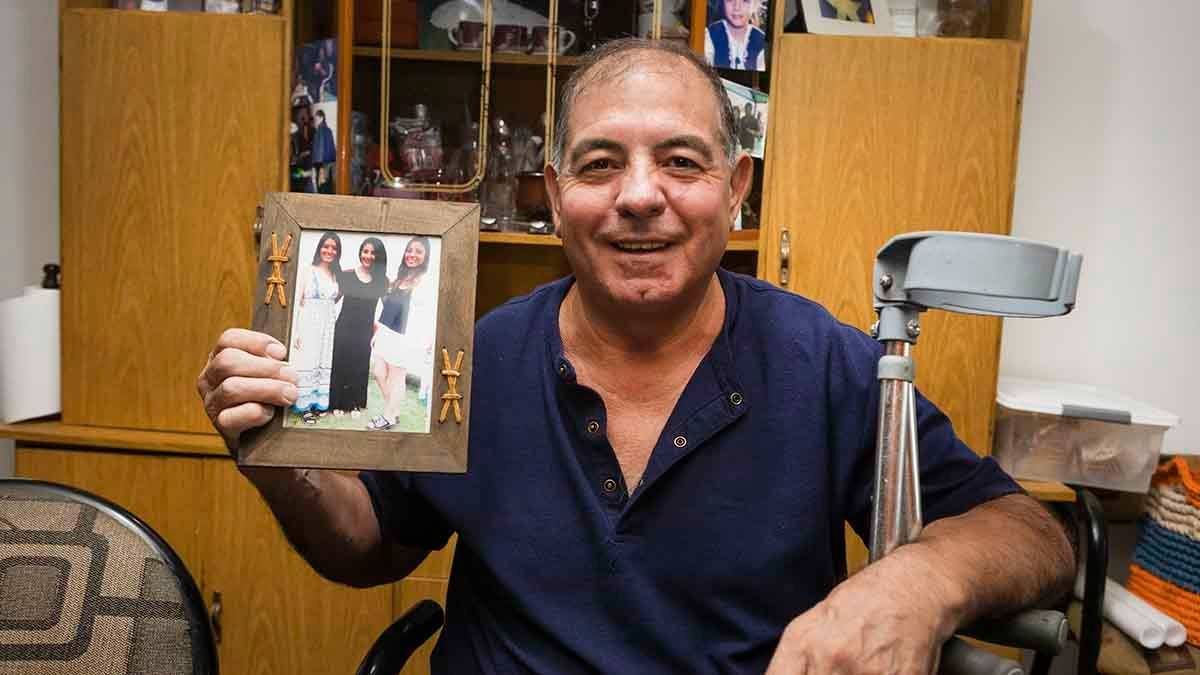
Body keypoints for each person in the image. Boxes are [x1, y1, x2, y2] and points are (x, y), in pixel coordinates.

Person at [197, 39, 1074, 674]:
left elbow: (1030, 533)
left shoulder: (827, 364)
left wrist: (915, 583)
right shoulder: (473, 355)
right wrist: (282, 460)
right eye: (600, 163)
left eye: (682, 161)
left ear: (736, 190)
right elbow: (370, 548)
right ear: (556, 193)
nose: (640, 196)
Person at [368, 236, 435, 431]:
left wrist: (428, 338)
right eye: (410, 250)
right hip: (385, 333)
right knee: (379, 372)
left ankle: (388, 416)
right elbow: (388, 309)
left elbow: (430, 312)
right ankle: (394, 410)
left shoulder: (425, 281)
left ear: (426, 256)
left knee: (397, 378)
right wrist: (377, 332)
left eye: (418, 251)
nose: (412, 254)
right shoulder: (400, 278)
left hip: (405, 337)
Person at [329, 237, 388, 413]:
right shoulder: (346, 275)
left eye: (373, 253)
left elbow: (390, 310)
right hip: (343, 329)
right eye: (365, 251)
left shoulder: (383, 281)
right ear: (360, 252)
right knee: (340, 364)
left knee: (359, 367)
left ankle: (353, 404)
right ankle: (337, 404)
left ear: (379, 257)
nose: (368, 256)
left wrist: (379, 329)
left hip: (364, 333)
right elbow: (332, 300)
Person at [290, 231, 342, 417]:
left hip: (328, 325)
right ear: (320, 248)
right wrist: (296, 332)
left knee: (323, 361)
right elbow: (298, 301)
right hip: (309, 322)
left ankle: (318, 404)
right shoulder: (308, 270)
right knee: (308, 360)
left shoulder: (335, 274)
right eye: (326, 246)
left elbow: (334, 300)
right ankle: (304, 407)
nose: (329, 251)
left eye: (334, 248)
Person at [705, 0, 766, 71]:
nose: (737, 7)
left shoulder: (761, 41)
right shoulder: (709, 36)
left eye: (745, 1)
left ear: (755, 5)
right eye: (730, 0)